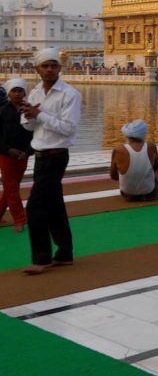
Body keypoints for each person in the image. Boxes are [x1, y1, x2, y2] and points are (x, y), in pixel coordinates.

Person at [20, 48, 82, 274]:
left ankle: (42, 258)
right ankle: (65, 253)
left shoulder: (70, 94)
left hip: (56, 156)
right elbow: (28, 126)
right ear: (37, 69)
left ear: (59, 68)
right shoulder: (35, 93)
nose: (49, 69)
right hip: (40, 155)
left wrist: (40, 116)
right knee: (54, 205)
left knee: (35, 206)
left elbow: (68, 129)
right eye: (45, 66)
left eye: (53, 65)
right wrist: (28, 117)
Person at [0, 78, 33, 233]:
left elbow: (36, 133)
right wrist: (8, 150)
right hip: (6, 155)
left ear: (25, 92)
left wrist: (28, 152)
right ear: (9, 93)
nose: (18, 94)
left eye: (20, 90)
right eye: (14, 90)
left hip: (23, 155)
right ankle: (20, 219)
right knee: (11, 186)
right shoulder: (2, 111)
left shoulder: (30, 110)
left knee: (11, 188)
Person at [110, 120, 158, 201]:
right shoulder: (151, 146)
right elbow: (154, 168)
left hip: (127, 195)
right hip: (150, 193)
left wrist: (128, 178)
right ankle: (151, 190)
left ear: (127, 136)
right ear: (144, 134)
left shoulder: (118, 150)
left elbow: (113, 176)